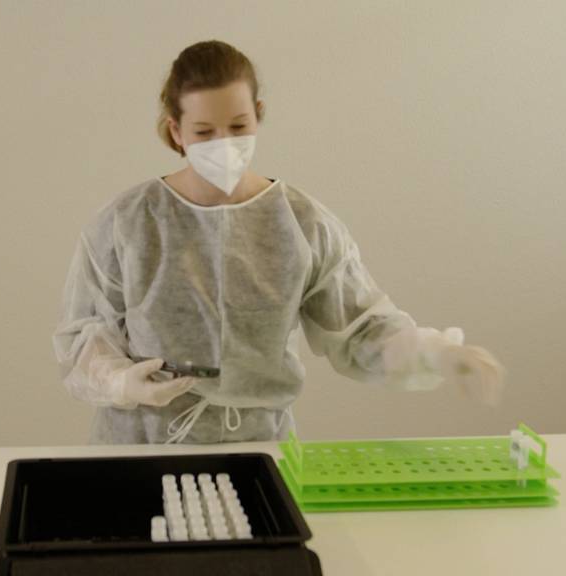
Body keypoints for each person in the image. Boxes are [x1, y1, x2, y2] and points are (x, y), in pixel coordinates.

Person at [52, 40, 505, 445]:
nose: (223, 143)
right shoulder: (127, 223)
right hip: (143, 447)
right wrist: (121, 383)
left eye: (238, 126)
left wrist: (436, 353)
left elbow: (361, 329)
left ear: (259, 114)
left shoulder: (302, 223)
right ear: (176, 131)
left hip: (259, 447)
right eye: (204, 132)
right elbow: (83, 339)